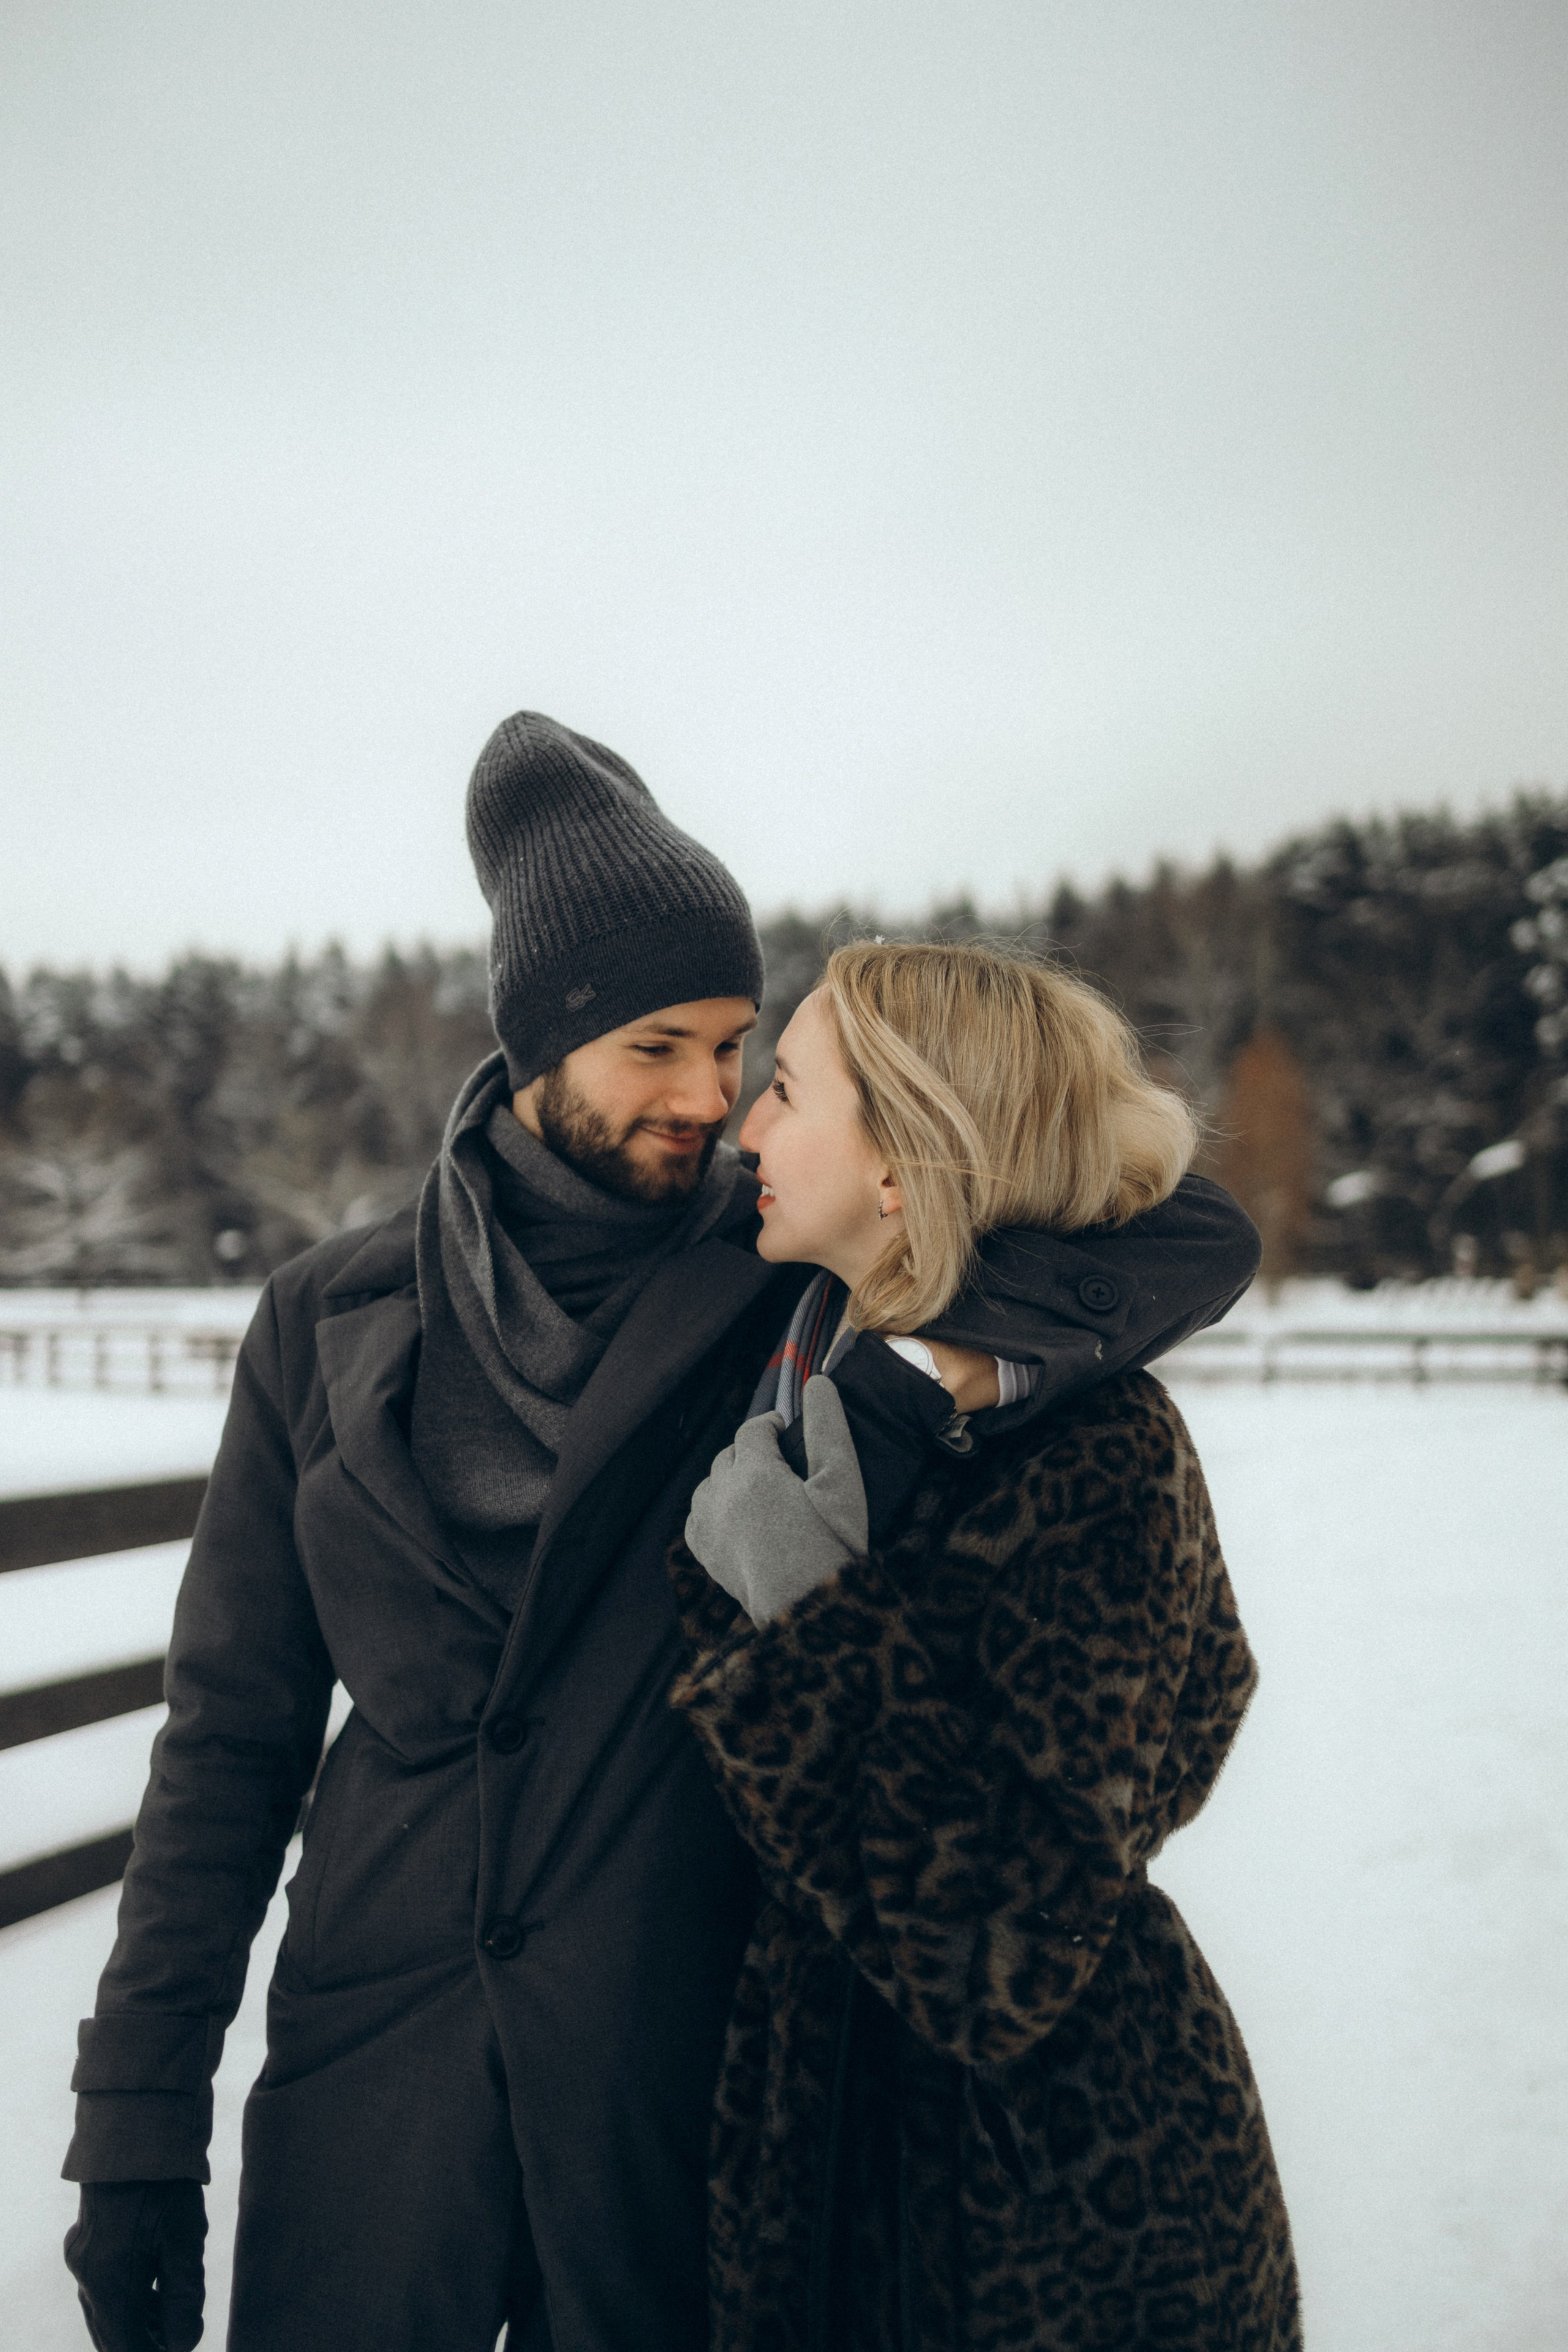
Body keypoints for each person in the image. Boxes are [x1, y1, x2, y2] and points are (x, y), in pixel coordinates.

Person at [61, 716, 1262, 2352]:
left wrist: (964, 1366)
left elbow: (1181, 1224)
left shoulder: (792, 1275)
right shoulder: (327, 1318)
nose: (708, 1096)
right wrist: (135, 2129)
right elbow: (225, 1750)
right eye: (655, 1049)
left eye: (736, 1045)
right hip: (371, 2100)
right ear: (537, 1046)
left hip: (669, 2114)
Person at [673, 940, 1300, 2351]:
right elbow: (1187, 1233)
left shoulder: (1093, 1450)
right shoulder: (822, 1378)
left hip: (1048, 2212)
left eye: (784, 1091)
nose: (744, 1128)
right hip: (815, 2147)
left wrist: (796, 1613)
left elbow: (992, 1947)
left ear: (899, 1161)